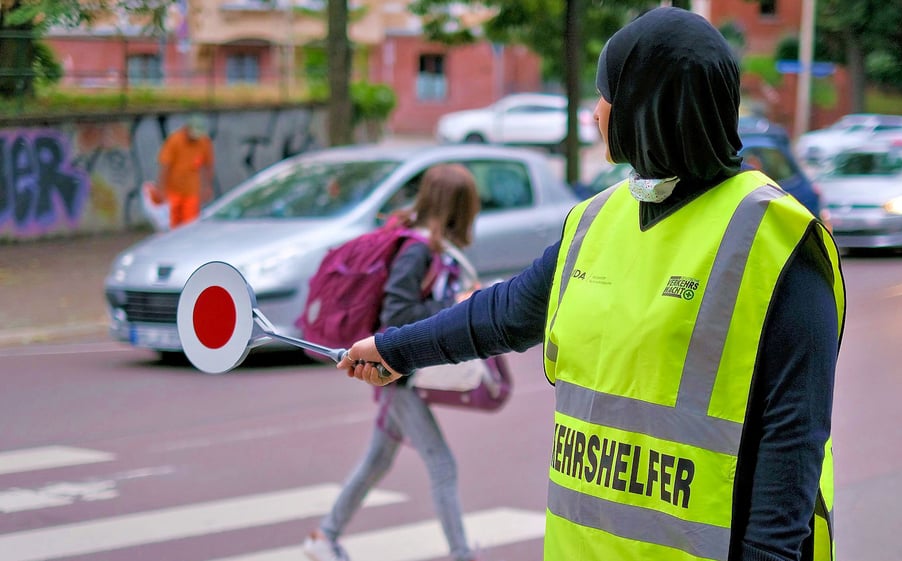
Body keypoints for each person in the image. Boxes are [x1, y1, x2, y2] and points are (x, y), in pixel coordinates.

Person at [342, 7, 846, 561]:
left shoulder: (777, 241)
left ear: (647, 107)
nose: (595, 113)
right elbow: (506, 313)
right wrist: (395, 348)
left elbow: (792, 444)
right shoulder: (598, 219)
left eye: (608, 95)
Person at [303, 163, 483, 561]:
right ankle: (461, 555)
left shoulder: (427, 248)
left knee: (378, 459)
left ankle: (325, 536)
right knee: (443, 465)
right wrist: (453, 304)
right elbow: (397, 315)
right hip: (398, 377)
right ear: (457, 209)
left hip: (399, 376)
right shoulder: (417, 250)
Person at [156, 114, 215, 229]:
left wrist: (208, 186)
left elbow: (208, 165)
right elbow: (165, 166)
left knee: (189, 225)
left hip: (191, 191)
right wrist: (161, 189)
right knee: (173, 225)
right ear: (186, 129)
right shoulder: (175, 140)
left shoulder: (204, 142)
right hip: (173, 190)